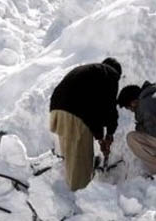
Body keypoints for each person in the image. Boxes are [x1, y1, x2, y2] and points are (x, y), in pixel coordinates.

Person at [49, 58, 122, 191]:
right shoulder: (110, 75)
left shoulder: (91, 72)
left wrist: (101, 137)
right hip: (74, 113)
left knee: (71, 156)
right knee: (81, 160)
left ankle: (70, 194)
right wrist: (108, 135)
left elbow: (95, 108)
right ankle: (81, 198)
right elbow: (108, 108)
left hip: (57, 110)